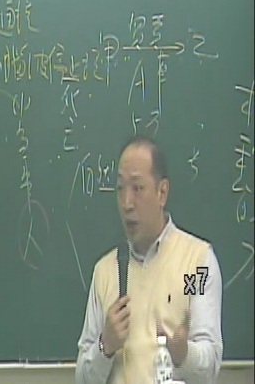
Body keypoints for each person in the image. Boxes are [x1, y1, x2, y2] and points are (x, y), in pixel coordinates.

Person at [75, 135, 223, 384]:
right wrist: (105, 346)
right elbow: (82, 379)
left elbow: (209, 370)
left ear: (162, 192)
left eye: (137, 188)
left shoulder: (196, 263)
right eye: (120, 188)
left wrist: (184, 354)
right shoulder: (105, 271)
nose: (126, 203)